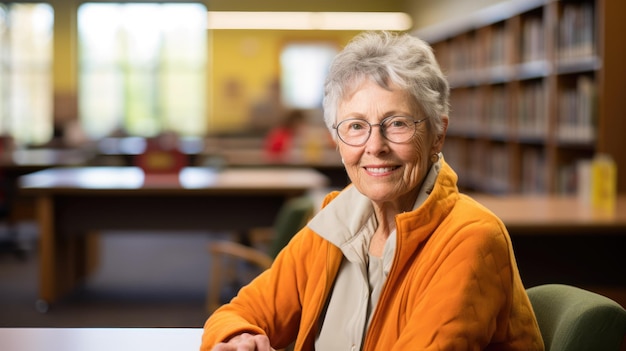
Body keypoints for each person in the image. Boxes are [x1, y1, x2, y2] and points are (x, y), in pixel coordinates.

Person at [201, 31, 544, 351]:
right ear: (336, 139)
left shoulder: (471, 238)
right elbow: (239, 312)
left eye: (397, 123)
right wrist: (239, 338)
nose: (375, 146)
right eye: (355, 126)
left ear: (438, 134)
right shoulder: (332, 227)